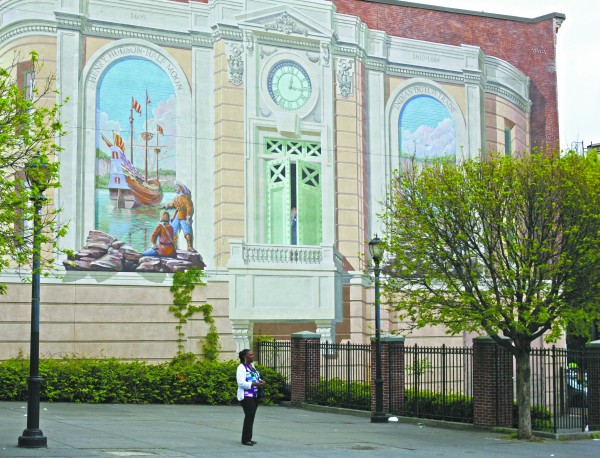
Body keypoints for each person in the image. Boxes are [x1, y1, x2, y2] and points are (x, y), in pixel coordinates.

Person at [236, 349, 266, 446]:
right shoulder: (241, 368)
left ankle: (248, 438)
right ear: (245, 357)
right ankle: (245, 440)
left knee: (251, 416)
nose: (253, 356)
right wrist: (254, 384)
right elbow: (241, 383)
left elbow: (255, 376)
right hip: (246, 396)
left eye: (253, 354)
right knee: (249, 416)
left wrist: (260, 381)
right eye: (250, 355)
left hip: (255, 395)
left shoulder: (252, 366)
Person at [163, 181, 196, 252]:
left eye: (177, 187)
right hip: (176, 215)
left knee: (187, 230)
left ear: (180, 188)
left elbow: (189, 207)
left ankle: (189, 246)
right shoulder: (176, 198)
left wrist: (188, 217)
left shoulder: (185, 197)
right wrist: (166, 206)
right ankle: (173, 246)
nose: (176, 188)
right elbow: (173, 204)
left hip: (183, 215)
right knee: (173, 230)